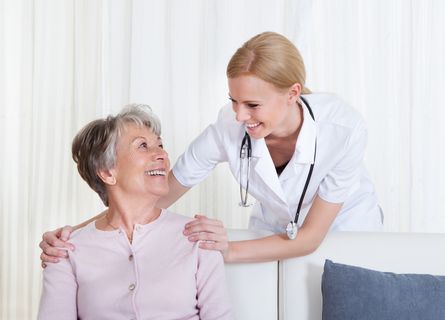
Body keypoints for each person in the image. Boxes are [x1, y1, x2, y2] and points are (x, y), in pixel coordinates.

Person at [39, 31, 383, 265]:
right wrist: (73, 234)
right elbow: (155, 197)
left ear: (293, 94)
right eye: (233, 101)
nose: (239, 115)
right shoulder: (228, 126)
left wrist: (225, 250)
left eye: (252, 105)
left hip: (345, 231)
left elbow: (308, 239)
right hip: (272, 229)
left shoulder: (343, 129)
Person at [34, 105, 242, 320]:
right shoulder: (65, 250)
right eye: (143, 146)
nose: (162, 155)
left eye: (160, 145)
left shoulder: (197, 235)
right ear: (107, 172)